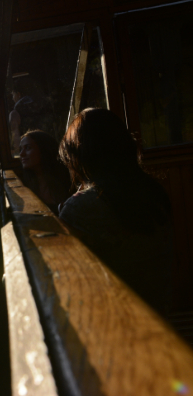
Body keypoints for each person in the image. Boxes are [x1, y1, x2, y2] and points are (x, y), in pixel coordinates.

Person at [58, 108, 173, 315]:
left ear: (80, 156)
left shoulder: (82, 208)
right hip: (159, 311)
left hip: (112, 318)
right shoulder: (154, 192)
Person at [19, 130, 72, 214]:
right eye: (21, 149)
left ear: (44, 149)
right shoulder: (24, 184)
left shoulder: (67, 181)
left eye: (28, 148)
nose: (21, 154)